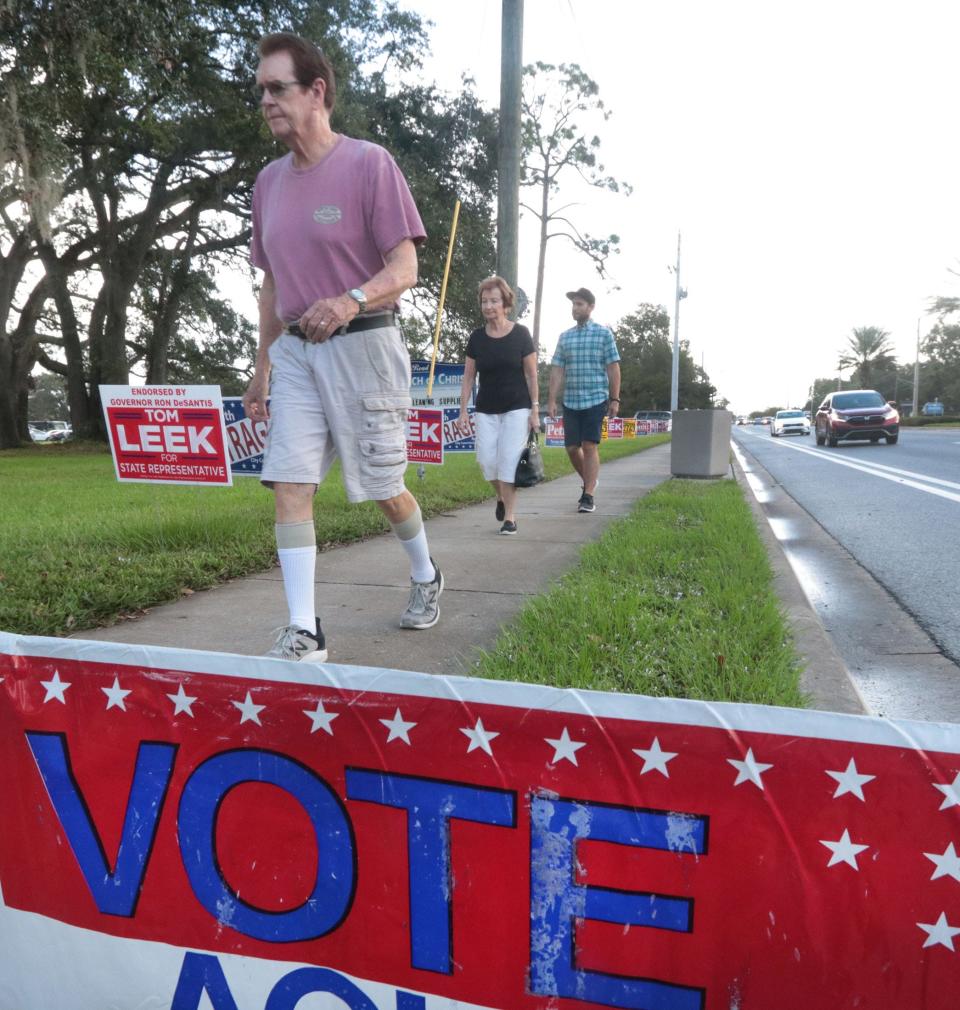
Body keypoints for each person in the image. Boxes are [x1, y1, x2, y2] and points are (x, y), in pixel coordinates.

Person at [242, 32, 442, 663]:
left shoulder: (367, 164)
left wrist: (353, 298)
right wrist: (262, 365)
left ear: (316, 91)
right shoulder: (268, 184)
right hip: (298, 353)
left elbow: (405, 266)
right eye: (261, 92)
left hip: (366, 347)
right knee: (290, 483)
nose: (267, 101)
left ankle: (426, 575)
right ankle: (305, 628)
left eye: (278, 88)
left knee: (384, 483)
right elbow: (272, 282)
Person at [458, 277, 539, 535]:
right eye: (484, 301)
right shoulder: (477, 338)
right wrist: (462, 411)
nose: (488, 306)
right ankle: (502, 497)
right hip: (486, 408)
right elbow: (469, 377)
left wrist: (535, 408)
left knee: (508, 461)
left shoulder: (521, 334)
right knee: (486, 461)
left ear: (505, 304)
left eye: (494, 301)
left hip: (517, 407)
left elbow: (531, 375)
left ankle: (510, 518)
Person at [547, 287, 621, 513]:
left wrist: (614, 399)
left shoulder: (603, 334)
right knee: (571, 448)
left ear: (591, 307)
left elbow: (613, 368)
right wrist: (551, 400)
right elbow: (557, 370)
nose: (575, 308)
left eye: (580, 304)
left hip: (596, 399)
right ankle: (590, 481)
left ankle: (588, 495)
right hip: (571, 401)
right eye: (573, 304)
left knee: (589, 445)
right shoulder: (565, 337)